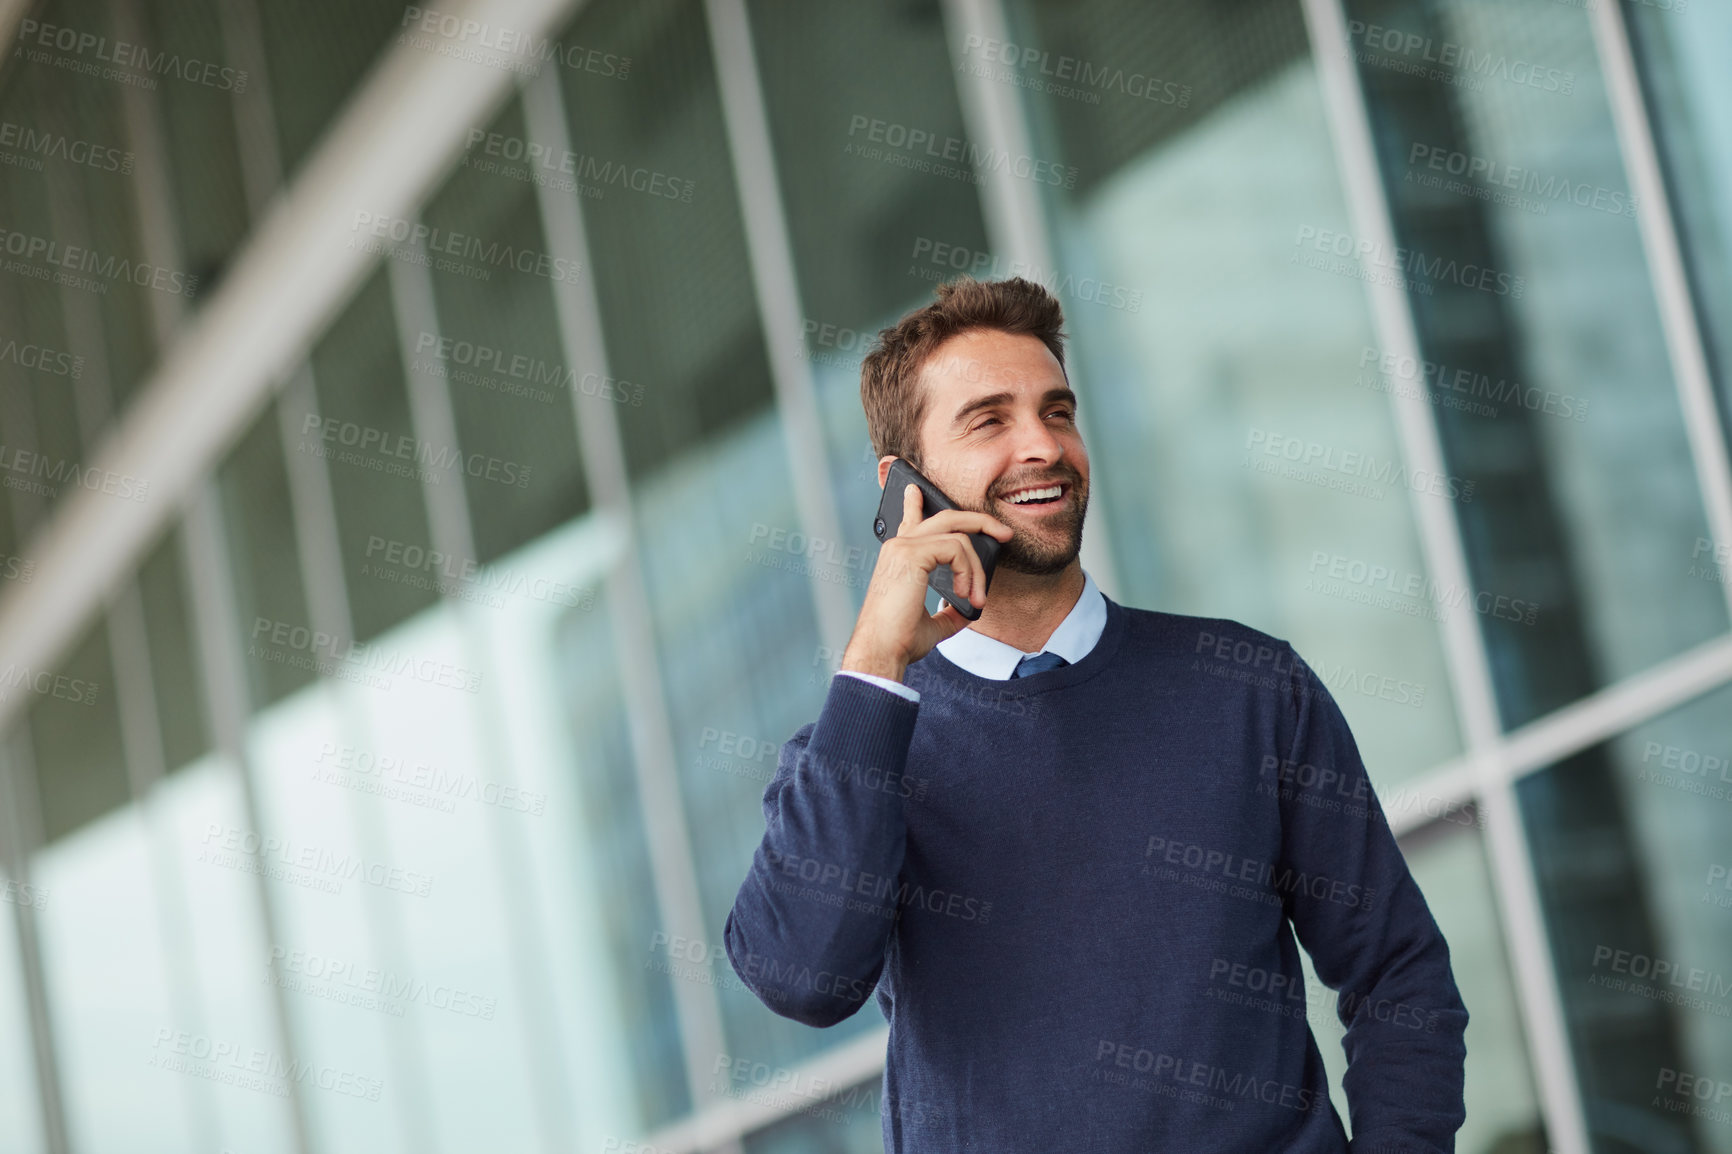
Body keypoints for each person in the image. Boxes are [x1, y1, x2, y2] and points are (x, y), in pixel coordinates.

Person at [724, 276, 1468, 1153]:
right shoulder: (855, 750)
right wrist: (873, 662)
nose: (1042, 445)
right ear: (903, 487)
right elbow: (802, 977)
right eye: (989, 420)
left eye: (1058, 411)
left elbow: (1398, 973)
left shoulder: (1247, 686)